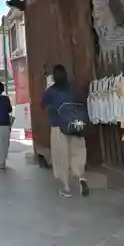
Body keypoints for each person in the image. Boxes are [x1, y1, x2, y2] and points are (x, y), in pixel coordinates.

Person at [40, 64, 89, 198]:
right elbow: (83, 103)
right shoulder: (73, 89)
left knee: (61, 157)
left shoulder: (51, 91)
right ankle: (81, 177)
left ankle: (67, 188)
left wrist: (47, 88)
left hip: (58, 127)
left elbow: (42, 104)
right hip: (76, 126)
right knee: (78, 153)